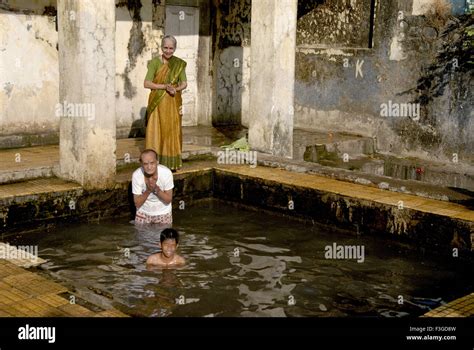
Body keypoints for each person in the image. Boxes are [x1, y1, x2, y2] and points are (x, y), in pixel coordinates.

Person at [144, 35, 187, 172]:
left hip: (173, 101)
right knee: (156, 131)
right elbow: (147, 83)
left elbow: (184, 83)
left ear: (174, 48)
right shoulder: (155, 63)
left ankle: (170, 163)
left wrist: (175, 89)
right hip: (158, 103)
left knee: (171, 131)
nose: (168, 51)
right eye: (165, 48)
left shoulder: (179, 64)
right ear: (161, 47)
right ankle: (153, 162)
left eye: (171, 48)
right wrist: (164, 87)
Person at [132, 149, 174, 225]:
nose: (149, 167)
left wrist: (156, 189)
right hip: (143, 213)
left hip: (163, 213)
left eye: (152, 163)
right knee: (141, 236)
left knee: (164, 236)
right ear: (141, 164)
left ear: (157, 162)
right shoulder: (137, 175)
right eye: (145, 164)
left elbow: (168, 199)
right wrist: (148, 190)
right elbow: (137, 203)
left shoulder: (166, 173)